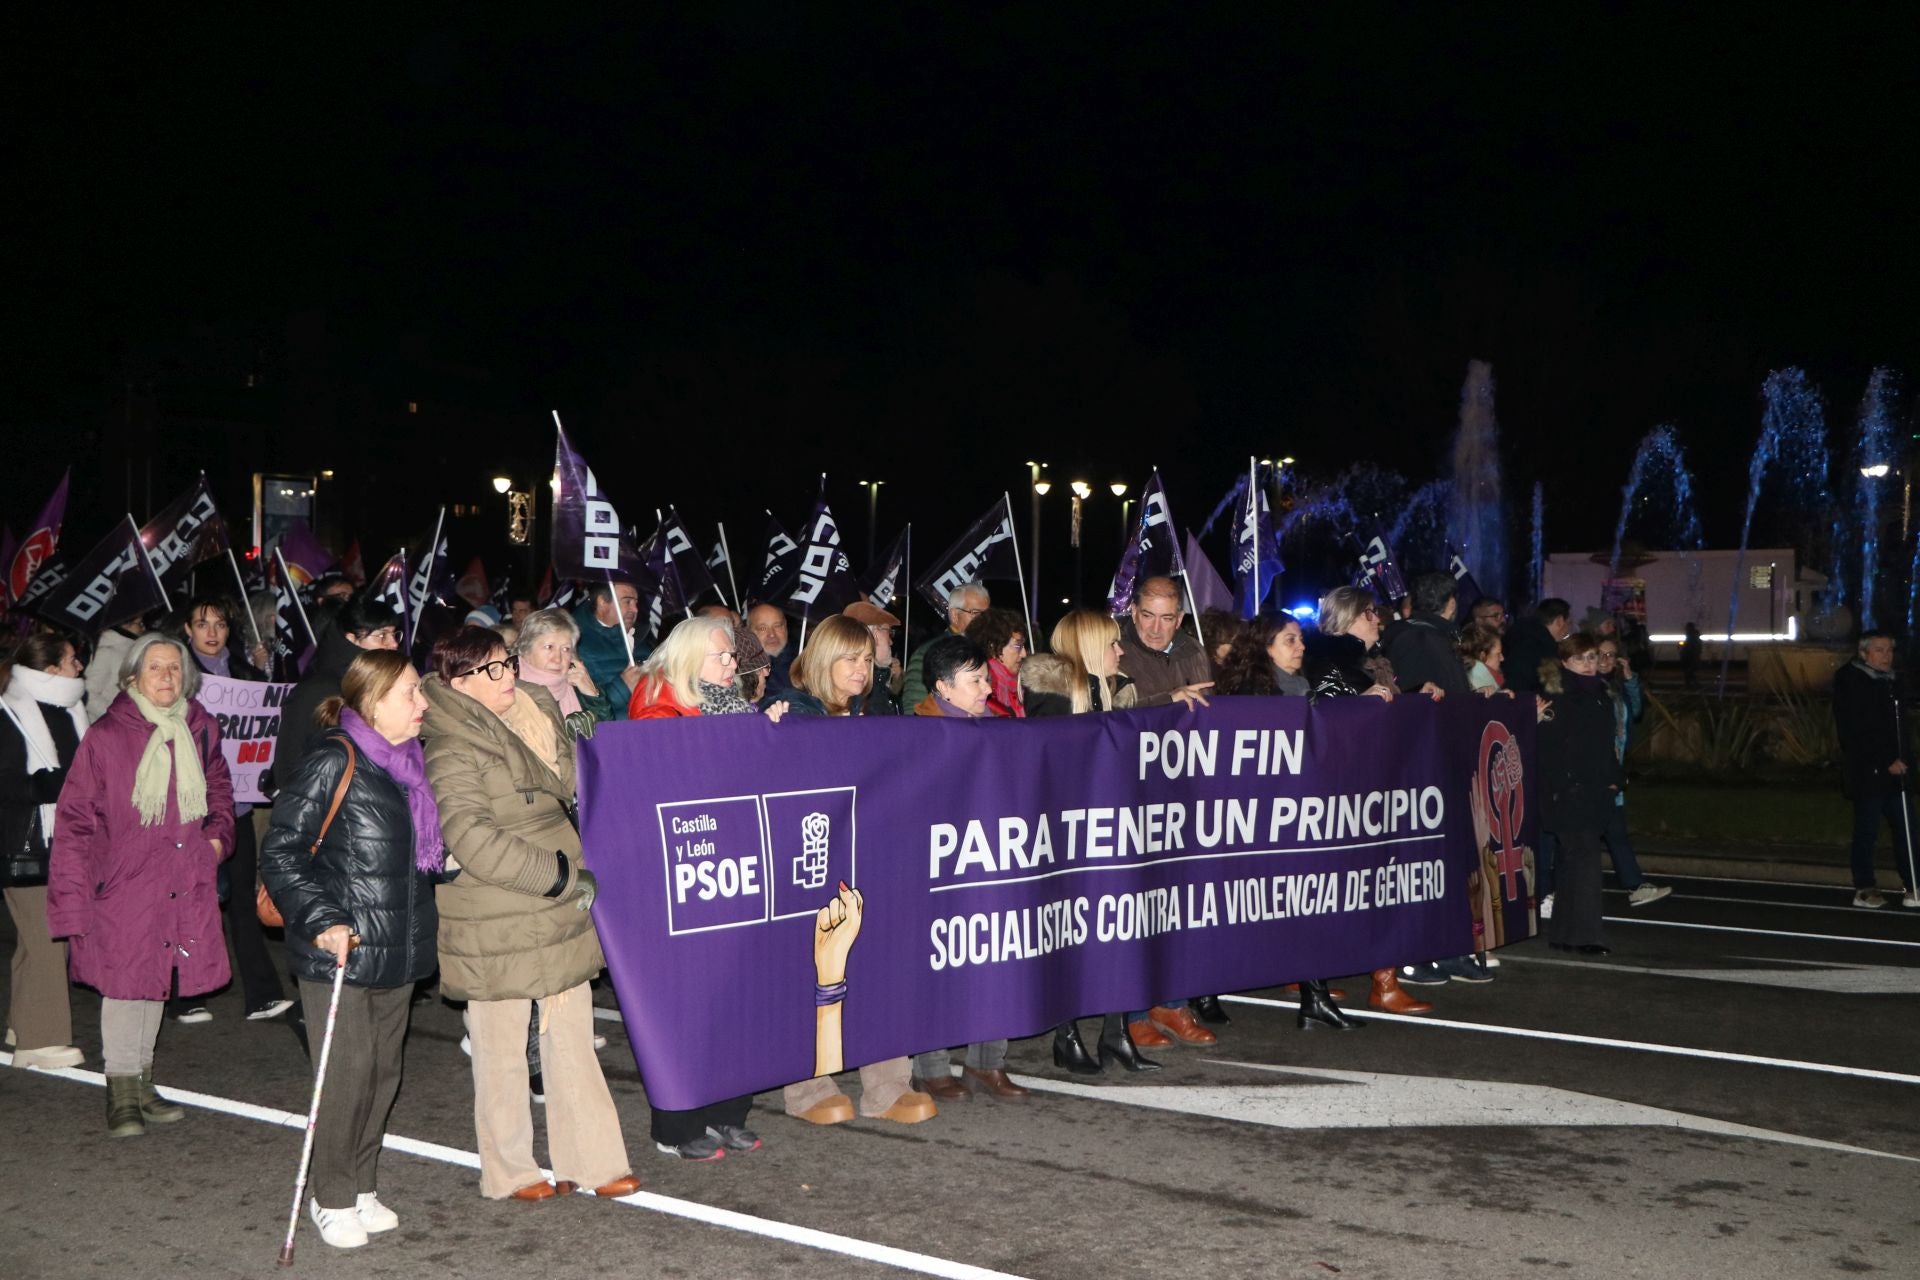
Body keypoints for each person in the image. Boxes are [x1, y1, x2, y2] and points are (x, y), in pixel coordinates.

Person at [422, 627, 641, 1198]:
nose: (508, 677)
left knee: (571, 1035)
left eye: (507, 664)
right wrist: (562, 877)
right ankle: (510, 1170)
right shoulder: (450, 742)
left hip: (559, 899)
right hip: (497, 907)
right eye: (493, 670)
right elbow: (469, 836)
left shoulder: (536, 714)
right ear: (459, 680)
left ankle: (592, 1162)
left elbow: (575, 787)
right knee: (500, 1047)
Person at [260, 650, 441, 1249]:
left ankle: (361, 1182)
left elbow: (403, 860)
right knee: (346, 1073)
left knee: (383, 1072)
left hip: (396, 946)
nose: (422, 703)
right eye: (411, 693)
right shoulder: (333, 760)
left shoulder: (408, 765)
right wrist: (323, 919)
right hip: (338, 949)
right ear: (373, 701)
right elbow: (282, 853)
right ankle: (330, 1196)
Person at [47, 632, 234, 1136]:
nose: (167, 677)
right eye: (155, 668)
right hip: (124, 880)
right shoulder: (107, 736)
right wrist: (72, 898)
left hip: (183, 875)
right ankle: (121, 1089)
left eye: (175, 668)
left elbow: (219, 789)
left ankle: (143, 1080)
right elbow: (75, 821)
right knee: (126, 984)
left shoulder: (200, 728)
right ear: (132, 677)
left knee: (157, 979)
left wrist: (217, 840)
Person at [624, 617, 776, 1154]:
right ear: (689, 659)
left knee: (739, 994)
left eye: (732, 656)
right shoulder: (658, 707)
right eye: (720, 656)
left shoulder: (732, 705)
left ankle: (727, 1110)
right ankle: (679, 1126)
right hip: (685, 870)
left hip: (736, 863)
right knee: (688, 1001)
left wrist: (769, 733)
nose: (731, 664)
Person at [1021, 610, 1160, 1076]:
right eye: (1112, 644)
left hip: (1112, 834)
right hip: (1066, 841)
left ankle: (1116, 1032)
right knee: (1070, 935)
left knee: (1119, 929)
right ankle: (1067, 1035)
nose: (1121, 652)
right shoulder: (1050, 694)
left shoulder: (1116, 691)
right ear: (1086, 649)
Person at [1304, 586, 1437, 1016]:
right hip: (1346, 788)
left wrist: (1414, 694)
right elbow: (1329, 705)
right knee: (1361, 884)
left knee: (1368, 884)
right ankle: (1369, 980)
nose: (1377, 620)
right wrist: (1360, 703)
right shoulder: (1330, 652)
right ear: (1346, 618)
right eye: (1368, 614)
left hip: (1365, 786)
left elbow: (1371, 704)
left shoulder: (1362, 659)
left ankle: (1369, 977)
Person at [909, 634, 1028, 1099]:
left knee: (993, 957)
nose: (986, 689)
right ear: (942, 686)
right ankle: (931, 1067)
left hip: (988, 861)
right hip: (937, 870)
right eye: (974, 680)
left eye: (985, 678)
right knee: (938, 963)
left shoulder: (996, 729)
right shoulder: (913, 731)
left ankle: (986, 1063)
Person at [176, 593, 291, 1025]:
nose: (211, 633)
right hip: (191, 809)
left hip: (237, 808)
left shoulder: (243, 672)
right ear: (187, 630)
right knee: (193, 901)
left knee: (243, 900)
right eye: (202, 624)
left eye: (219, 625)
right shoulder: (177, 675)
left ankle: (261, 994)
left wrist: (263, 675)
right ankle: (185, 995)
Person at [0, 632, 87, 1069]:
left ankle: (23, 1020)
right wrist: (47, 785)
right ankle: (40, 1041)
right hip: (22, 840)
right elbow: (7, 779)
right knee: (48, 936)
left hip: (64, 839)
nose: (79, 668)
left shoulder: (69, 709)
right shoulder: (9, 713)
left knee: (38, 939)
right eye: (72, 659)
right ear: (50, 668)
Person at [1537, 633, 1620, 954]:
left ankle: (1565, 933)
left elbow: (1605, 745)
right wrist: (1562, 786)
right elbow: (1550, 749)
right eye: (1580, 658)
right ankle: (1585, 935)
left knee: (1574, 862)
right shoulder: (1556, 697)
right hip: (1568, 791)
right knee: (1583, 861)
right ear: (1565, 662)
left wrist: (1615, 779)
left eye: (1592, 657)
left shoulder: (1600, 694)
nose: (1589, 665)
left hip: (1594, 790)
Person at [273, 596, 403, 793]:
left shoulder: (388, 683)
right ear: (352, 639)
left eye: (394, 634)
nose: (393, 644)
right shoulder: (317, 690)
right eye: (382, 635)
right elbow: (289, 765)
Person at [1833, 631, 1920, 908]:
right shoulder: (1853, 681)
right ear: (1864, 653)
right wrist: (1884, 762)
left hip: (1898, 769)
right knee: (1867, 830)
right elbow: (1855, 730)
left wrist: (1905, 760)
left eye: (1889, 650)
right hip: (1868, 770)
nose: (1886, 655)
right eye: (1879, 650)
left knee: (1908, 830)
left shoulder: (1892, 681)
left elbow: (1900, 729)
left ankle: (1913, 886)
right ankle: (1865, 887)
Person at [1594, 637, 1669, 907]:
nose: (1605, 660)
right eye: (1600, 654)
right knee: (1582, 836)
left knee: (1613, 831)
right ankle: (1549, 890)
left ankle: (1635, 885)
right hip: (1593, 773)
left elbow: (1636, 712)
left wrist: (1630, 680)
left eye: (1611, 655)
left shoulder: (1616, 688)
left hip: (1612, 770)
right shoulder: (1587, 686)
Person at [1117, 576, 1214, 709]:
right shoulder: (1115, 652)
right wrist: (1169, 699)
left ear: (1179, 620)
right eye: (1148, 616)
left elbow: (1207, 711)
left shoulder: (1193, 650)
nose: (1156, 629)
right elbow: (1112, 716)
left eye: (1166, 618)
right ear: (1134, 612)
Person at [514, 607, 617, 728]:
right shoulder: (507, 691)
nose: (558, 658)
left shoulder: (577, 690)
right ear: (526, 650)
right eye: (549, 647)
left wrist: (592, 695)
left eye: (566, 649)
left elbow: (607, 739)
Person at [1383, 570, 1470, 700]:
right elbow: (1415, 698)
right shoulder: (1417, 638)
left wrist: (1477, 696)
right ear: (1452, 603)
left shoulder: (1436, 636)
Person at [900, 582, 988, 708]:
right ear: (954, 615)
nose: (984, 621)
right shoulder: (928, 653)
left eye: (987, 615)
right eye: (975, 613)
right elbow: (915, 709)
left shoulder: (990, 650)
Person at [780, 616, 881, 718]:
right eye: (852, 659)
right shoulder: (797, 714)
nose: (864, 670)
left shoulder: (866, 711)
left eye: (868, 660)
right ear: (824, 660)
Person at [572, 578, 643, 716]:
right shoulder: (576, 644)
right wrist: (622, 688)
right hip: (614, 734)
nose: (635, 609)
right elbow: (581, 708)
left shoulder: (643, 639)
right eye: (627, 601)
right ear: (602, 602)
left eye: (636, 603)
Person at [1214, 615, 1309, 698]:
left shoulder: (1303, 686)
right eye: (1290, 640)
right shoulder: (1251, 694)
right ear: (1267, 647)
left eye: (1301, 639)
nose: (1302, 647)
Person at [85, 612, 150, 722]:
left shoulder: (135, 649)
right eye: (139, 623)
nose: (143, 628)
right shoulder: (105, 652)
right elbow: (89, 694)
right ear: (125, 625)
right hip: (107, 725)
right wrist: (116, 715)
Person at [966, 606, 1028, 717]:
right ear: (993, 647)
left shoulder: (1021, 687)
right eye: (1018, 645)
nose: (1024, 654)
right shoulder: (982, 694)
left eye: (1024, 646)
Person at [842, 601, 902, 714]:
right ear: (874, 635)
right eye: (888, 632)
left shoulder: (875, 680)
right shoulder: (859, 684)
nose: (891, 642)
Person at [1503, 599, 1572, 695]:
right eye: (1569, 623)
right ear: (1559, 621)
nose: (1568, 629)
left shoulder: (1520, 634)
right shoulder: (1542, 648)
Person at [746, 602, 796, 695]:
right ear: (748, 633)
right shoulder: (740, 671)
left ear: (786, 626)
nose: (772, 634)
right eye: (762, 628)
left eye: (777, 626)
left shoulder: (807, 662)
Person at [1458, 623, 1506, 692]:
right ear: (1482, 656)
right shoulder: (1482, 683)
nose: (1502, 658)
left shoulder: (1462, 675)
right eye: (1498, 654)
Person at [1680, 621, 1703, 689]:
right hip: (1692, 656)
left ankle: (1690, 684)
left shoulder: (1690, 636)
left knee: (1688, 671)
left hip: (1689, 656)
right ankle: (1693, 683)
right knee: (1691, 671)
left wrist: (1683, 650)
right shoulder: (1695, 636)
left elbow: (1689, 647)